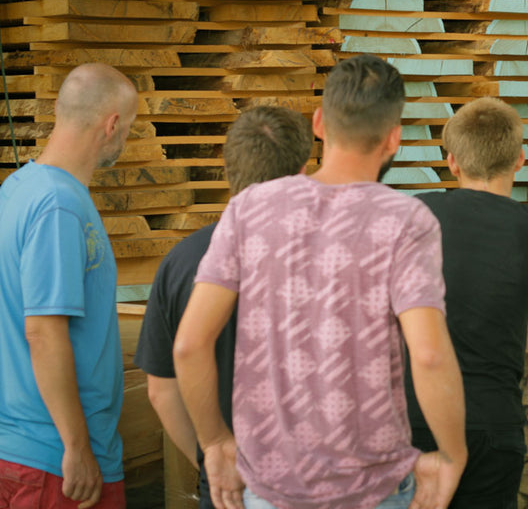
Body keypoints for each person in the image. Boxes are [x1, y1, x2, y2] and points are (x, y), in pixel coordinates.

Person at [173, 54, 467, 509]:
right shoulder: (406, 221)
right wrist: (452, 455)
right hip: (371, 489)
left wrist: (214, 442)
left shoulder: (250, 208)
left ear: (318, 124)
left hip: (268, 487)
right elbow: (428, 356)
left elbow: (189, 344)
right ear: (394, 139)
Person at [402, 97, 528, 508]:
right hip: (492, 424)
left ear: (452, 162)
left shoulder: (414, 212)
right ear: (520, 160)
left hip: (409, 417)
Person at [134, 106, 313, 508]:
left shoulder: (182, 261)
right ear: (303, 171)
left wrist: (212, 454)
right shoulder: (339, 256)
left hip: (228, 488)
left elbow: (163, 390)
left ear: (229, 170)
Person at [0, 64, 138, 509]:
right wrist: (78, 448)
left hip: (26, 451)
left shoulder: (18, 188)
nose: (126, 139)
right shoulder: (58, 206)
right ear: (112, 123)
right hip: (56, 463)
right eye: (130, 127)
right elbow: (43, 332)